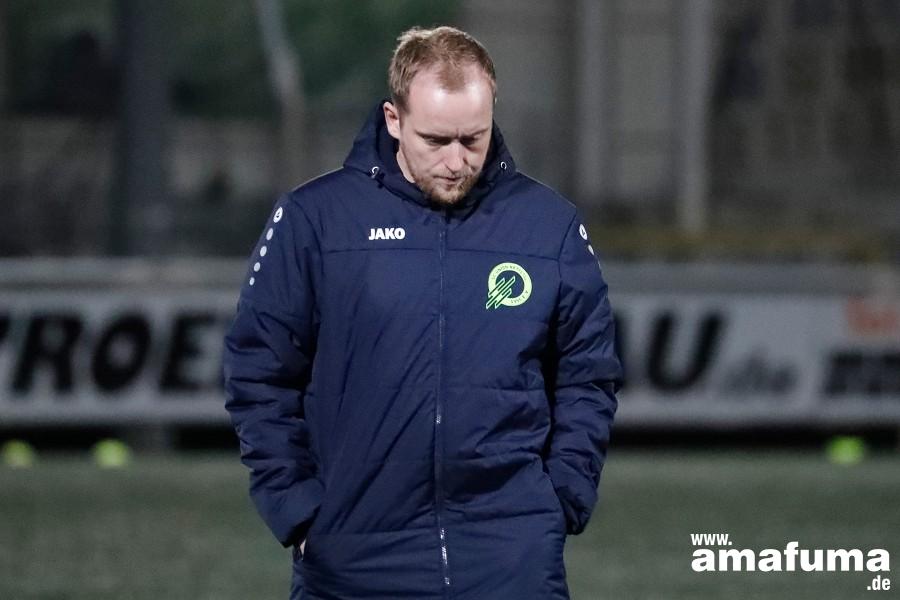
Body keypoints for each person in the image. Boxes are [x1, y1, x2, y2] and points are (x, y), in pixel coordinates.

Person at [223, 25, 622, 600]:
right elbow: (257, 370)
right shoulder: (316, 221)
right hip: (352, 559)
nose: (457, 161)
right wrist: (299, 510)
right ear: (394, 120)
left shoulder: (548, 227)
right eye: (436, 140)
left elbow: (589, 374)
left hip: (510, 559)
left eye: (473, 139)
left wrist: (561, 499)